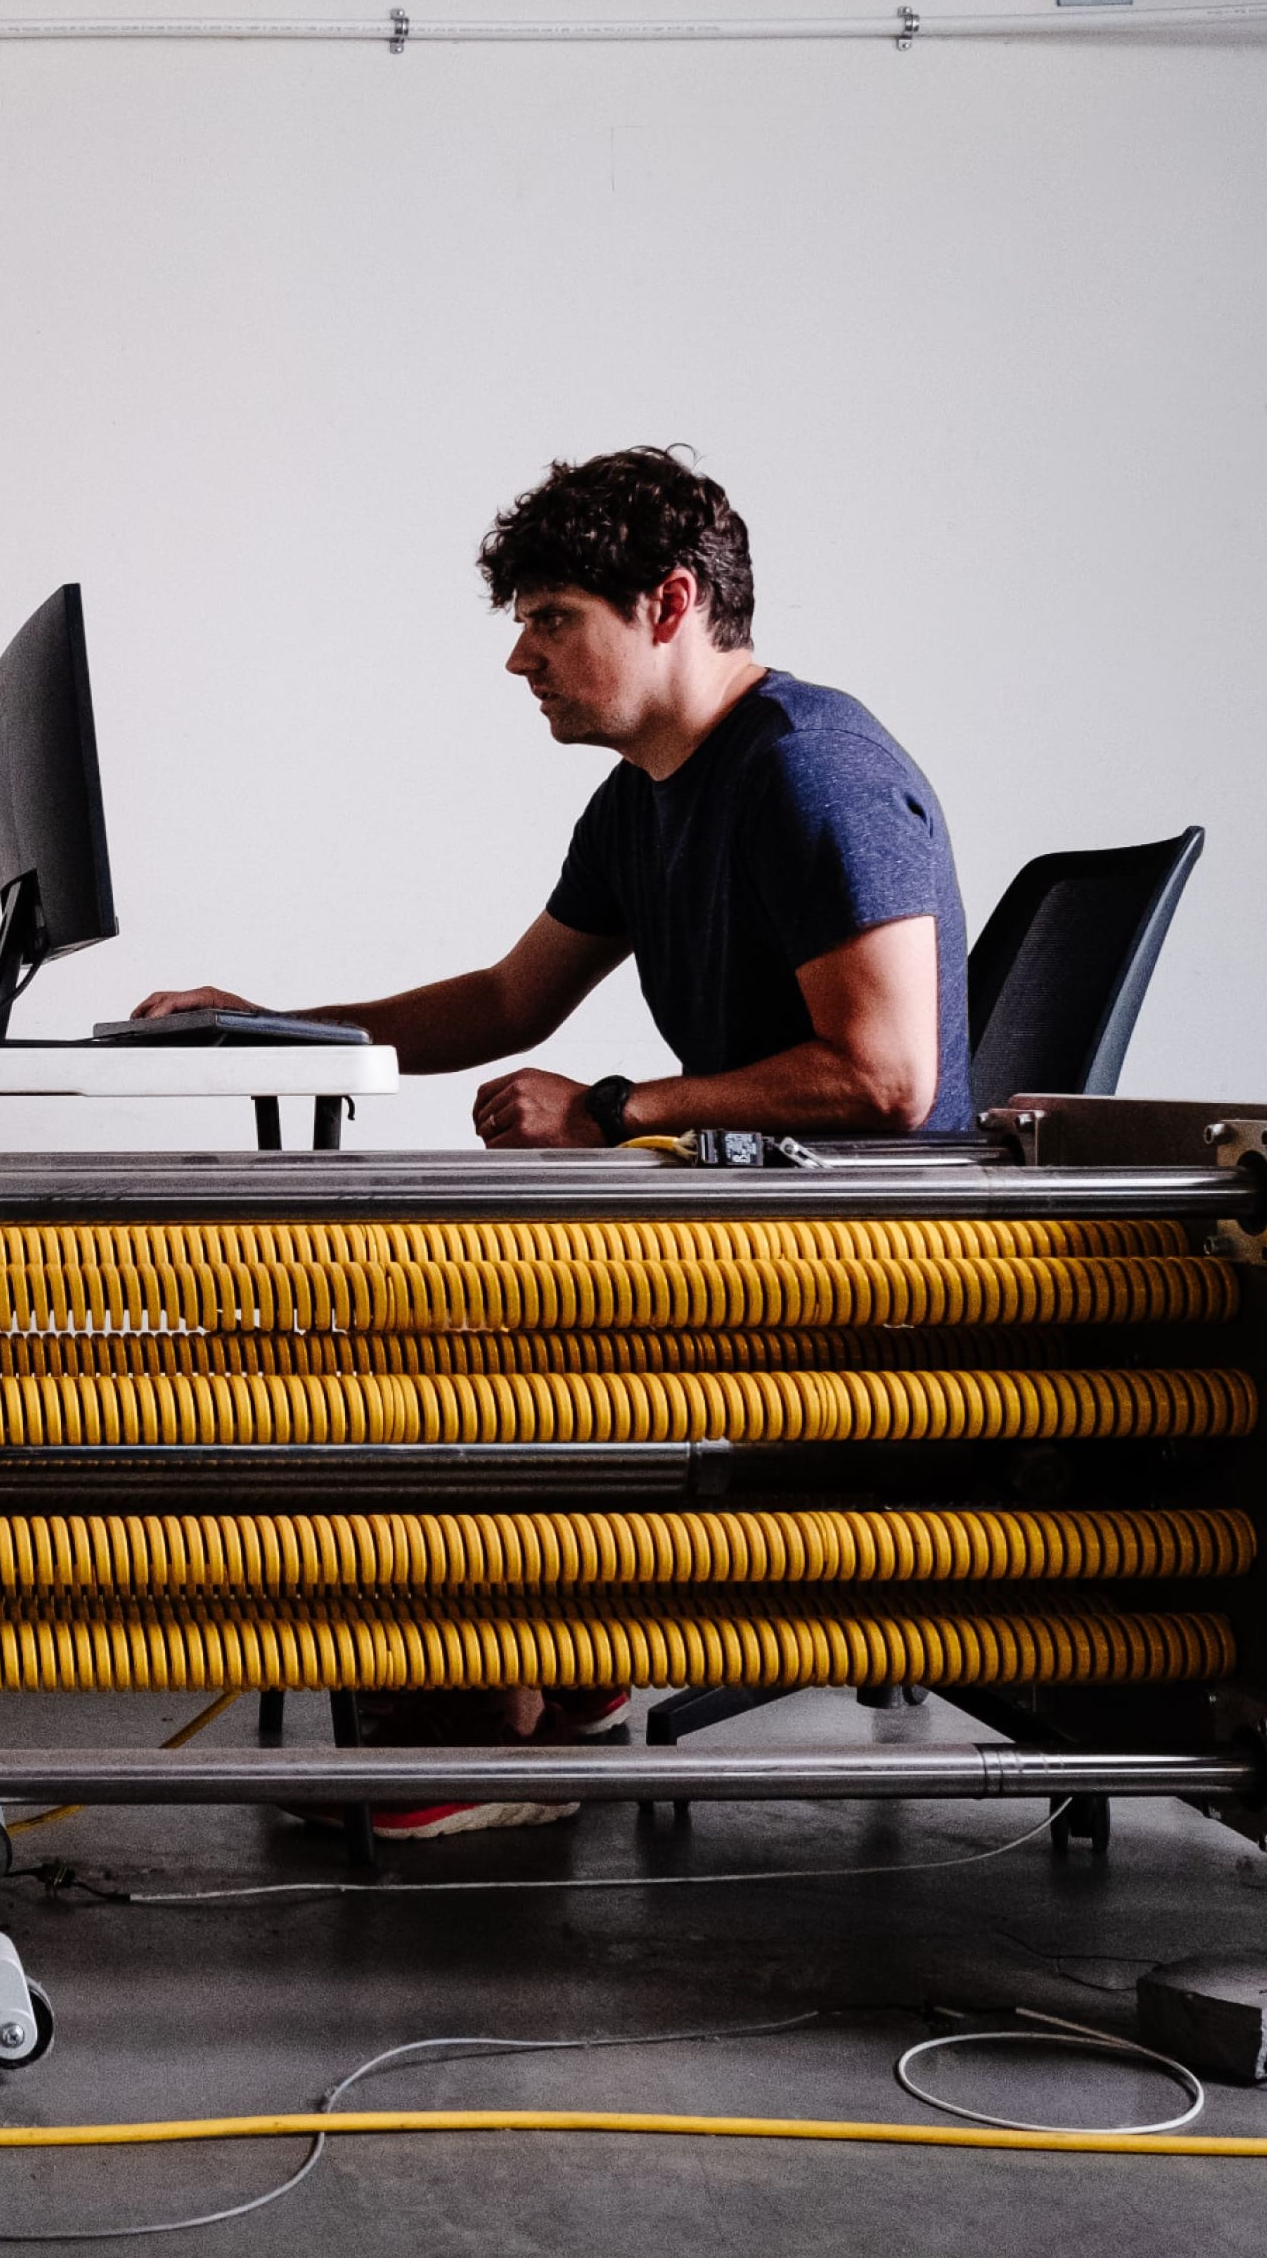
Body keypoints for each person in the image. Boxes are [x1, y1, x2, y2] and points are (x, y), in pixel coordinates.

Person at [123, 443, 970, 1834]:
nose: (520, 658)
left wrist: (616, 1110)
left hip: (870, 1262)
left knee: (452, 1318)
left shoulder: (813, 772)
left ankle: (490, 1730)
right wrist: (268, 1020)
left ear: (671, 603)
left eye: (551, 617)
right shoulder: (645, 798)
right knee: (441, 1283)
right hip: (757, 1223)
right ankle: (562, 1686)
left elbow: (886, 1081)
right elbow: (509, 1000)